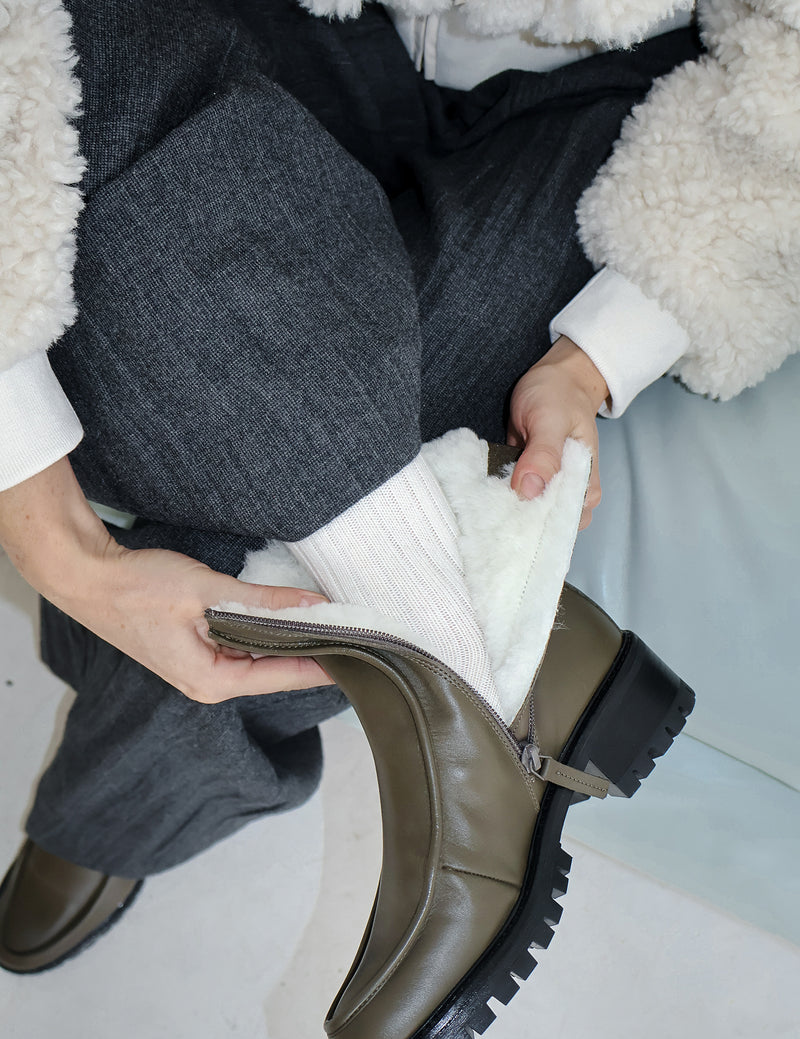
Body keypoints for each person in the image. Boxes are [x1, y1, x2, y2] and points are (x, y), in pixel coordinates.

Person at [0, 0, 796, 983]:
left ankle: (129, 788)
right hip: (283, 21)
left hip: (608, 99)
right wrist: (58, 550)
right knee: (80, 58)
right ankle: (471, 646)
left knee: (287, 428)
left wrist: (593, 358)